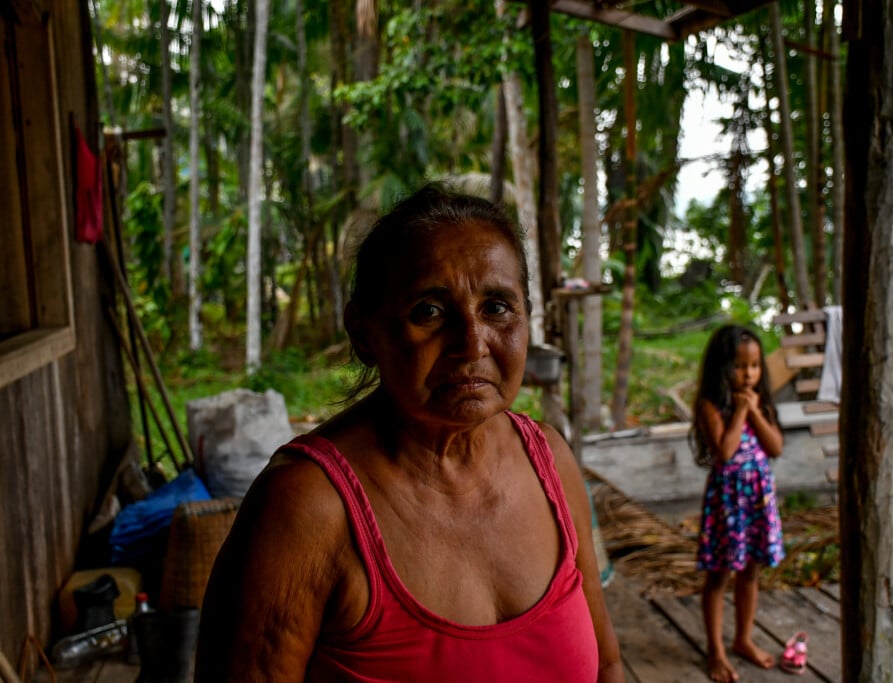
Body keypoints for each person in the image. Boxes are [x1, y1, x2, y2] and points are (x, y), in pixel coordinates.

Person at [194, 184, 625, 682]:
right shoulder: (306, 507)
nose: (471, 344)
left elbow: (607, 664)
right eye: (429, 311)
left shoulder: (549, 460)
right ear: (363, 333)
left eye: (497, 307)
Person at [689, 324, 784, 682]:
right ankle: (715, 650)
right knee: (719, 576)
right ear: (722, 368)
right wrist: (742, 412)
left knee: (751, 573)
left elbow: (775, 447)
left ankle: (743, 638)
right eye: (740, 366)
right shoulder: (711, 406)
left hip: (757, 503)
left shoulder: (763, 403)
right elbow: (726, 452)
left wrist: (756, 412)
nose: (749, 374)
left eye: (755, 365)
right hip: (728, 506)